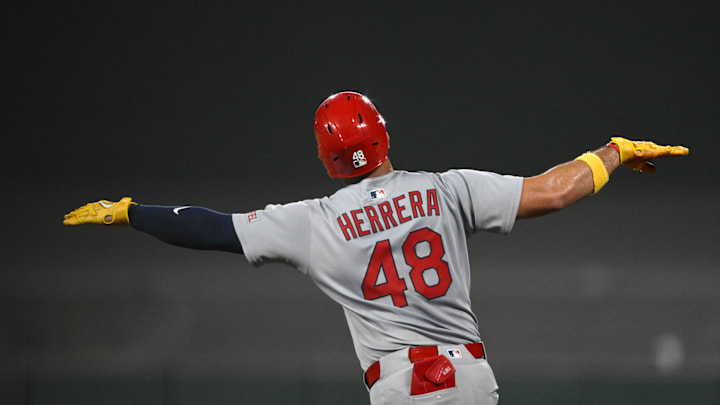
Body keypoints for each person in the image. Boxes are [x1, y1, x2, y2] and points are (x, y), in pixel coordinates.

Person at [63, 91, 689, 404]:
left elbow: (210, 228)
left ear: (326, 158)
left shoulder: (313, 221)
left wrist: (133, 213)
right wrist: (615, 152)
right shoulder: (445, 190)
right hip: (470, 378)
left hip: (401, 387)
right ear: (383, 135)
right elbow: (553, 192)